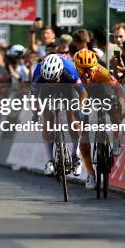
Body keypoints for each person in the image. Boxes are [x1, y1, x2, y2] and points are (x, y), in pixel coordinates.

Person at [31, 54, 88, 185]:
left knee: (72, 117)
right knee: (47, 116)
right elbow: (33, 97)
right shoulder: (39, 72)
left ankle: (75, 155)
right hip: (46, 91)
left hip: (67, 87)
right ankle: (50, 160)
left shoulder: (69, 69)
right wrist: (35, 113)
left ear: (60, 72)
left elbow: (83, 93)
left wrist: (80, 108)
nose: (52, 83)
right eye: (49, 80)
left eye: (54, 79)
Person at [74, 49, 125, 189]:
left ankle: (116, 142)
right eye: (81, 70)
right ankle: (91, 174)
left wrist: (121, 102)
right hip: (82, 94)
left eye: (89, 70)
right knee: (83, 137)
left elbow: (119, 88)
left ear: (95, 67)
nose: (85, 74)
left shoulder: (101, 71)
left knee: (114, 111)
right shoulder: (74, 76)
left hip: (101, 89)